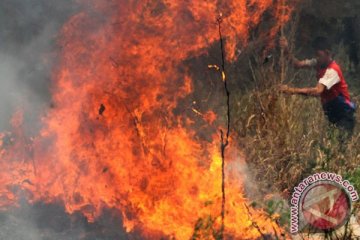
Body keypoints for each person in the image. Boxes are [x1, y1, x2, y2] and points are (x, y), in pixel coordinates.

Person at [279, 36, 356, 139]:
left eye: (319, 55)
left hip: (344, 116)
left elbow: (317, 91)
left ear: (327, 53)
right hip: (332, 114)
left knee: (341, 146)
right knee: (332, 145)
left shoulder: (333, 70)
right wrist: (286, 50)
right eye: (316, 55)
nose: (317, 58)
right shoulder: (318, 62)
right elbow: (297, 64)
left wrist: (290, 90)